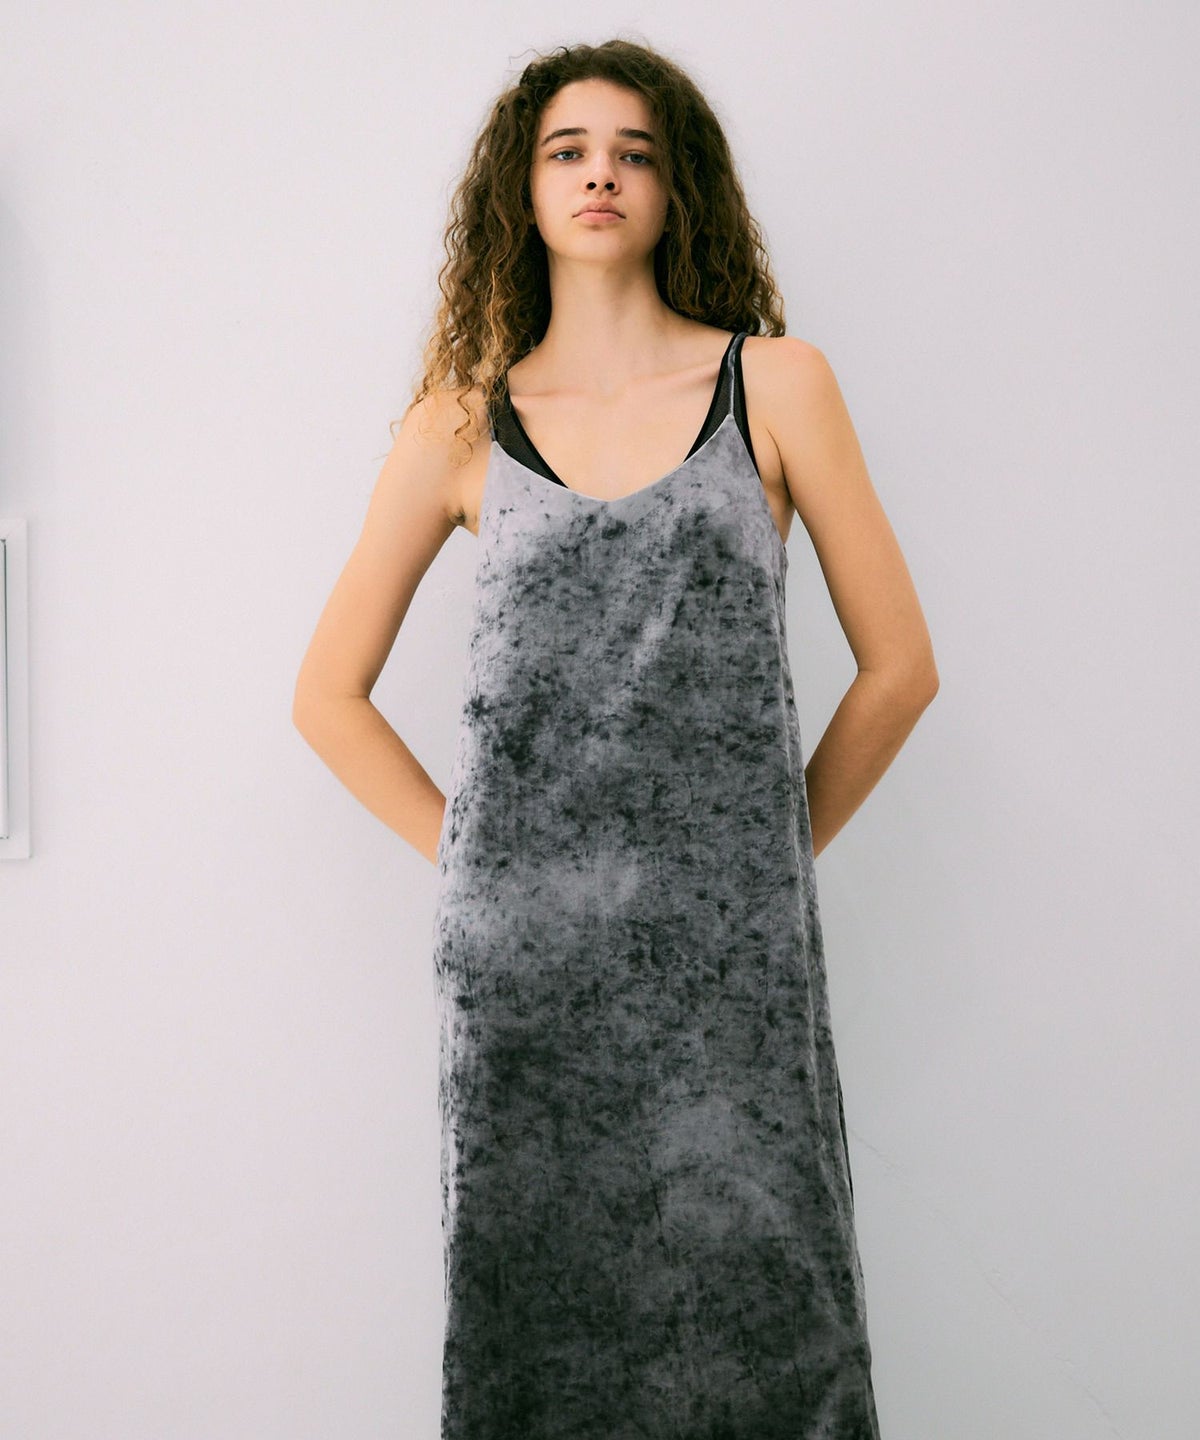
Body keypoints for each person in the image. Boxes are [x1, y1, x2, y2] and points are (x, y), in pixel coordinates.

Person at [294, 37, 937, 1440]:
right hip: (523, 978)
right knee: (539, 1337)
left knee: (775, 1331)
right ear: (521, 189)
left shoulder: (778, 386)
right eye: (569, 150)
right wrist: (482, 862)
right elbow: (326, 695)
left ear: (676, 184)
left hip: (735, 969)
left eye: (634, 152)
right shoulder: (461, 423)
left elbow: (900, 671)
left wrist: (756, 862)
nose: (601, 175)